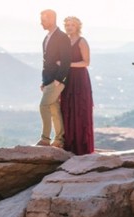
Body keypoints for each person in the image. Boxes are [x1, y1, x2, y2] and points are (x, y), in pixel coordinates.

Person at [36, 9, 71, 148]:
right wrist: (44, 82)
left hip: (57, 80)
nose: (41, 23)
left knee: (43, 106)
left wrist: (59, 79)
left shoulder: (62, 37)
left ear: (51, 19)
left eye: (43, 20)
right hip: (48, 80)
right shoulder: (47, 37)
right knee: (54, 108)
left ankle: (45, 139)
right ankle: (59, 140)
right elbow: (46, 62)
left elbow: (66, 60)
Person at [59, 16, 95, 155]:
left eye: (72, 25)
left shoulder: (82, 41)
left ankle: (82, 147)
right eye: (67, 24)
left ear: (77, 26)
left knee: (80, 110)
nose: (69, 27)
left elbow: (86, 62)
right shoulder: (65, 41)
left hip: (80, 79)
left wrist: (68, 65)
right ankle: (69, 144)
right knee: (67, 109)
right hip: (68, 79)